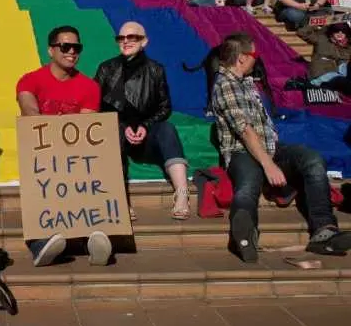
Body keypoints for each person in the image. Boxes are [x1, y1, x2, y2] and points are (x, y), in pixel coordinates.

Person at [211, 32, 351, 262]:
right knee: (248, 185)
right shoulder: (225, 85)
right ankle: (245, 235)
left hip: (272, 148)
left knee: (312, 159)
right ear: (242, 58)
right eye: (255, 54)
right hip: (242, 152)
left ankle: (324, 230)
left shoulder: (247, 83)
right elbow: (245, 131)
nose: (257, 58)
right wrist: (269, 166)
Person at [16, 26, 111, 267]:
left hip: (74, 154)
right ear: (51, 50)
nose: (71, 52)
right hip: (42, 154)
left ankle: (94, 237)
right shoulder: (30, 80)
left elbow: (86, 127)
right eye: (65, 46)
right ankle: (39, 243)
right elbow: (29, 110)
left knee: (88, 168)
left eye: (76, 47)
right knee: (40, 172)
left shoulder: (89, 86)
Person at [94, 22, 190, 221]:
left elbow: (165, 107)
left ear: (144, 41)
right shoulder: (106, 68)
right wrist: (122, 125)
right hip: (116, 133)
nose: (126, 41)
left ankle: (182, 194)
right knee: (114, 132)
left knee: (167, 129)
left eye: (132, 37)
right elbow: (97, 107)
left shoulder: (155, 70)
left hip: (147, 133)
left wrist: (145, 126)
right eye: (121, 38)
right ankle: (120, 199)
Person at [297, 23, 351, 94]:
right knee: (340, 80)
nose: (340, 33)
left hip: (340, 77)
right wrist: (320, 24)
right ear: (332, 32)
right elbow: (302, 32)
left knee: (343, 77)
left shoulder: (348, 46)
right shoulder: (322, 39)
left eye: (343, 31)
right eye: (337, 30)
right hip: (321, 75)